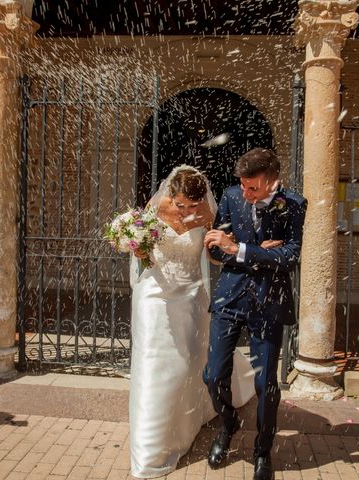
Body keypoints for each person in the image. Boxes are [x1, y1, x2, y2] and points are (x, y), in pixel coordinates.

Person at [128, 165, 255, 478]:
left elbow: (212, 257)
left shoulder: (208, 212)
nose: (187, 211)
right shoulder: (155, 208)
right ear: (171, 195)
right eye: (181, 204)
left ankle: (188, 419)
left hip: (191, 295)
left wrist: (222, 246)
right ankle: (151, 447)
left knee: (187, 363)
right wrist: (133, 242)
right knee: (153, 364)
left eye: (193, 206)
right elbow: (139, 250)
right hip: (153, 295)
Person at [203, 148, 307, 480]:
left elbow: (290, 257)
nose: (246, 195)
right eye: (243, 187)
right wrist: (253, 251)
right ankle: (228, 422)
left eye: (254, 188)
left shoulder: (293, 204)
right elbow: (215, 244)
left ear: (272, 179)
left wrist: (241, 249)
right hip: (230, 298)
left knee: (267, 385)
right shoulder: (232, 196)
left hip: (269, 303)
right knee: (213, 375)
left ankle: (263, 452)